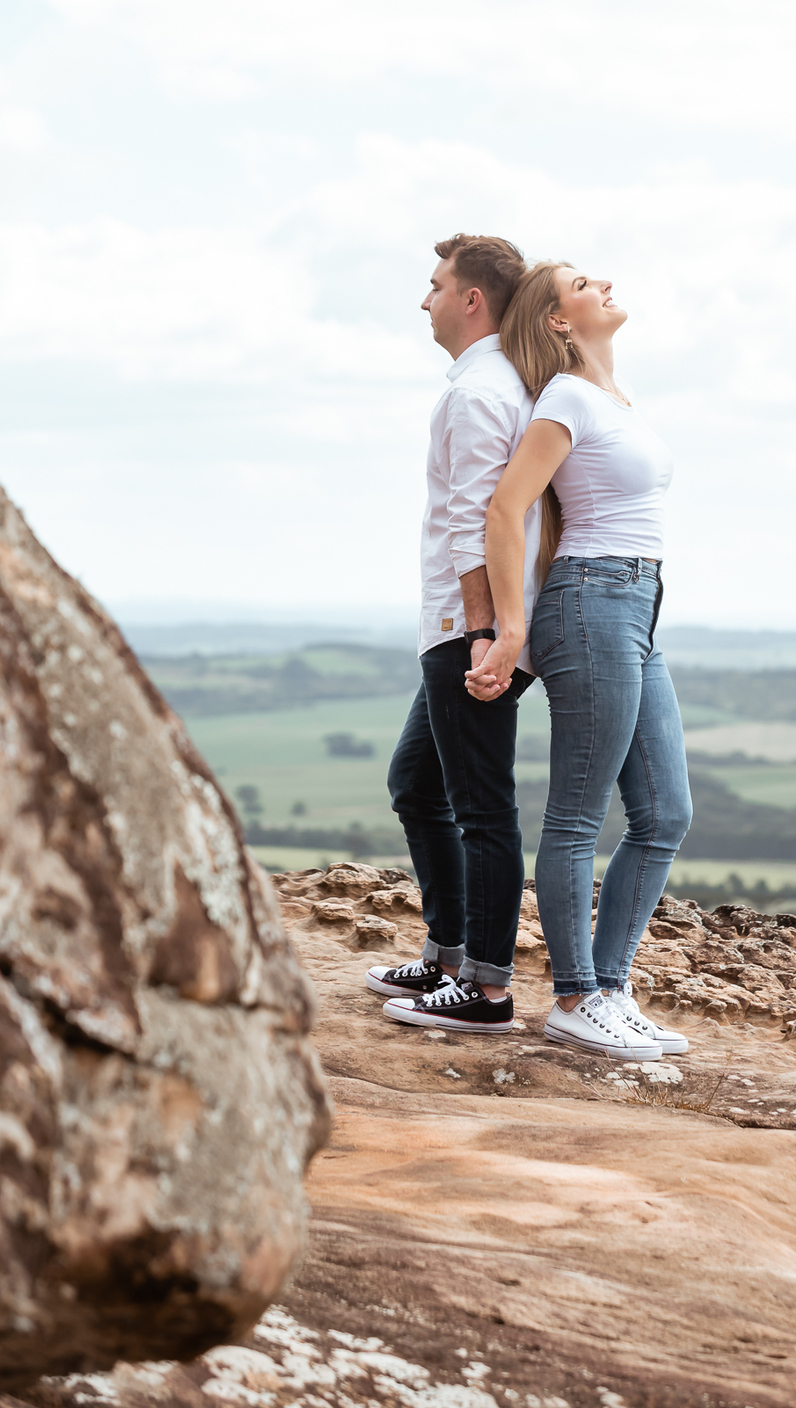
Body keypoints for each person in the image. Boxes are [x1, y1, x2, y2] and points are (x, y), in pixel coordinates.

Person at [466, 262, 692, 1060]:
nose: (602, 283)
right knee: (577, 816)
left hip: (636, 604)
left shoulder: (611, 399)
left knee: (665, 813)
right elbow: (505, 507)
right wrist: (509, 629)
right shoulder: (565, 396)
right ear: (558, 321)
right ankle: (575, 998)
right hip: (592, 602)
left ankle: (611, 987)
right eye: (581, 282)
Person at [366, 234, 540, 1034]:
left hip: (468, 626)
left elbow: (476, 520)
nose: (424, 299)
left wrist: (482, 632)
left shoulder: (479, 393)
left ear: (472, 300)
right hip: (470, 622)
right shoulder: (499, 385)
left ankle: (486, 989)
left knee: (480, 805)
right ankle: (447, 954)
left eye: (436, 285)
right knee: (416, 781)